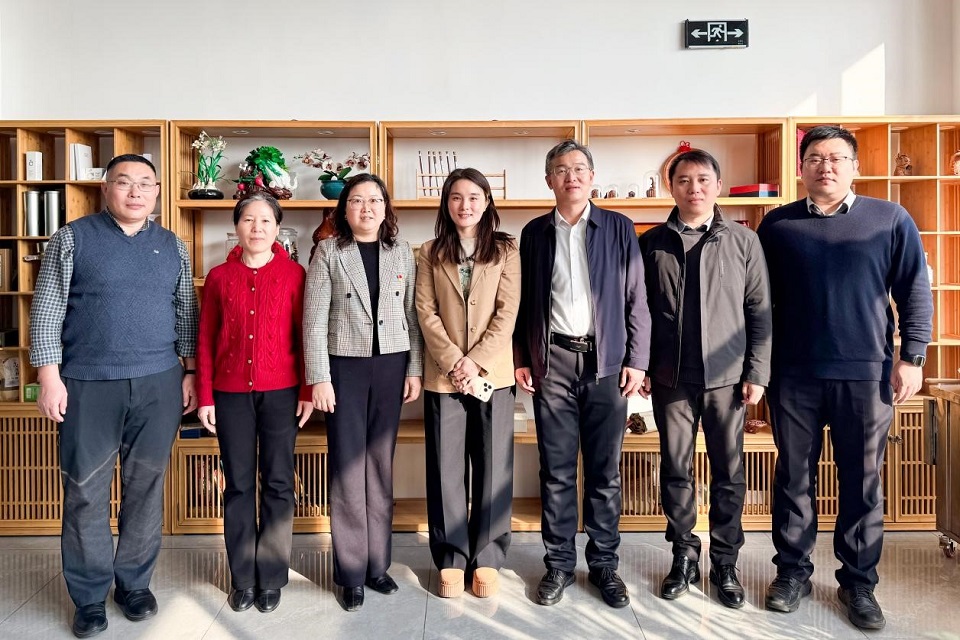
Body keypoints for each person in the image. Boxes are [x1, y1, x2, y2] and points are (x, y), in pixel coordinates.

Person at [757, 125, 933, 630]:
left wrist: (912, 356)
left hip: (866, 374)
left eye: (836, 157)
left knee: (862, 480)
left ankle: (858, 583)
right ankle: (792, 572)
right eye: (815, 157)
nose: (826, 166)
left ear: (855, 166)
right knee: (794, 477)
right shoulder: (778, 224)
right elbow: (759, 301)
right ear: (801, 167)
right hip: (793, 374)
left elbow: (914, 290)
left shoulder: (889, 218)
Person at [29, 154, 199, 638]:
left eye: (145, 184)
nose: (135, 192)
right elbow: (46, 309)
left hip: (159, 382)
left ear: (158, 192)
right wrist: (48, 375)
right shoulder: (72, 238)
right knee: (85, 490)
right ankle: (88, 596)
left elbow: (185, 311)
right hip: (87, 383)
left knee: (146, 488)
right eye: (124, 183)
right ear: (105, 189)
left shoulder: (172, 245)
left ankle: (134, 585)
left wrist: (189, 371)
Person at [514, 140, 650, 608]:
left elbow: (636, 298)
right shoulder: (534, 233)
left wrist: (637, 360)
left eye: (578, 169)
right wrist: (522, 356)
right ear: (548, 180)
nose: (570, 176)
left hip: (606, 364)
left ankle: (605, 565)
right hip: (552, 362)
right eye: (560, 170)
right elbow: (524, 303)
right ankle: (558, 565)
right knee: (554, 470)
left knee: (604, 471)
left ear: (592, 177)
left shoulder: (618, 227)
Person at [638, 150, 771, 609]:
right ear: (671, 187)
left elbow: (759, 310)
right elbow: (638, 310)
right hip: (671, 377)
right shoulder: (652, 242)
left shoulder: (743, 241)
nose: (693, 188)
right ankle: (684, 554)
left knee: (729, 472)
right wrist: (642, 364)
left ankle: (727, 562)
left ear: (717, 185)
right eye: (684, 180)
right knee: (676, 468)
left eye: (702, 179)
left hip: (727, 379)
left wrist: (757, 372)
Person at [303, 173, 423, 612]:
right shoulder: (329, 251)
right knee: (348, 468)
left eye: (374, 200)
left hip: (391, 365)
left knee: (379, 466)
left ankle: (378, 566)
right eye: (357, 200)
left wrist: (414, 370)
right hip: (344, 368)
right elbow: (314, 319)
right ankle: (351, 572)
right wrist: (319, 377)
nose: (366, 208)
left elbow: (411, 316)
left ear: (386, 208)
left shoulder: (401, 251)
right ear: (344, 208)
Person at [196, 194, 313, 615]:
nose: (257, 227)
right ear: (237, 227)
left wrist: (307, 391)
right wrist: (205, 396)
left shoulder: (295, 274)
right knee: (239, 484)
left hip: (282, 393)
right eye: (249, 220)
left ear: (277, 228)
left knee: (279, 482)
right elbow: (205, 340)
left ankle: (272, 577)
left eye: (265, 220)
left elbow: (305, 335)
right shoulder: (219, 277)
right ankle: (243, 577)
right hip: (230, 395)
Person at [415, 168, 520, 599]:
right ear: (446, 203)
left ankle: (488, 556)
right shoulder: (429, 251)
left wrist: (474, 362)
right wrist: (454, 362)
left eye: (474, 197)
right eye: (456, 197)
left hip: (492, 375)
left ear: (487, 201)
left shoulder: (506, 250)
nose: (465, 205)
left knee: (494, 466)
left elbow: (507, 312)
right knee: (446, 469)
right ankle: (451, 557)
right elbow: (425, 312)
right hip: (444, 376)